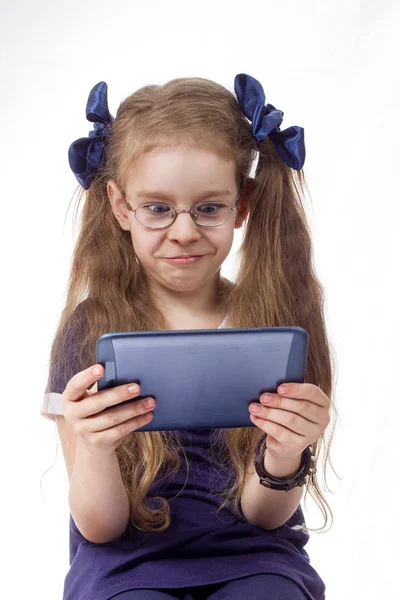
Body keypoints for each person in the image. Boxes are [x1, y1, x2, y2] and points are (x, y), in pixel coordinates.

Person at [41, 73, 337, 600]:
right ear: (119, 206)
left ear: (241, 204)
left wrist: (286, 450)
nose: (184, 231)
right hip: (126, 564)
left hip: (254, 556)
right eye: (158, 208)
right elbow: (100, 527)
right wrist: (94, 446)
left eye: (208, 207)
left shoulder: (272, 320)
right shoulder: (90, 328)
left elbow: (265, 517)